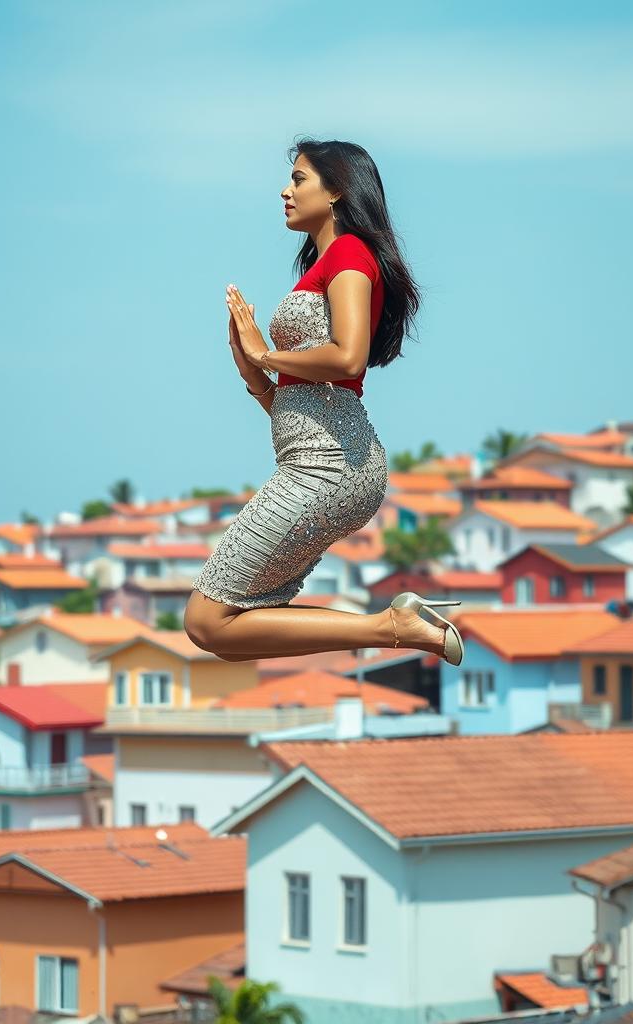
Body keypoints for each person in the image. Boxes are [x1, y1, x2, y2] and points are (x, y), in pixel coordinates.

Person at [184, 137, 463, 666]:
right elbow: (311, 404)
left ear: (336, 190)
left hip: (331, 467)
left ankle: (393, 627)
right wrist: (257, 378)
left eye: (299, 179)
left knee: (208, 620)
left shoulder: (351, 254)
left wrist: (268, 355)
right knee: (217, 625)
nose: (285, 191)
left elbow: (348, 358)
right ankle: (392, 627)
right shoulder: (326, 261)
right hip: (319, 459)